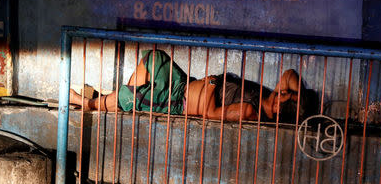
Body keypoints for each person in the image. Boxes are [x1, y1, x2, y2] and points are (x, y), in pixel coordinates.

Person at [69, 50, 318, 123]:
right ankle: (127, 100)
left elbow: (210, 114)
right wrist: (299, 96)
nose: (282, 92)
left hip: (179, 103)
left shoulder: (250, 111)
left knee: (127, 95)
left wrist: (211, 84)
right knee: (155, 57)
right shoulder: (266, 95)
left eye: (284, 98)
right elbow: (288, 74)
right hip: (184, 85)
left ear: (277, 110)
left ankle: (87, 102)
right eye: (286, 94)